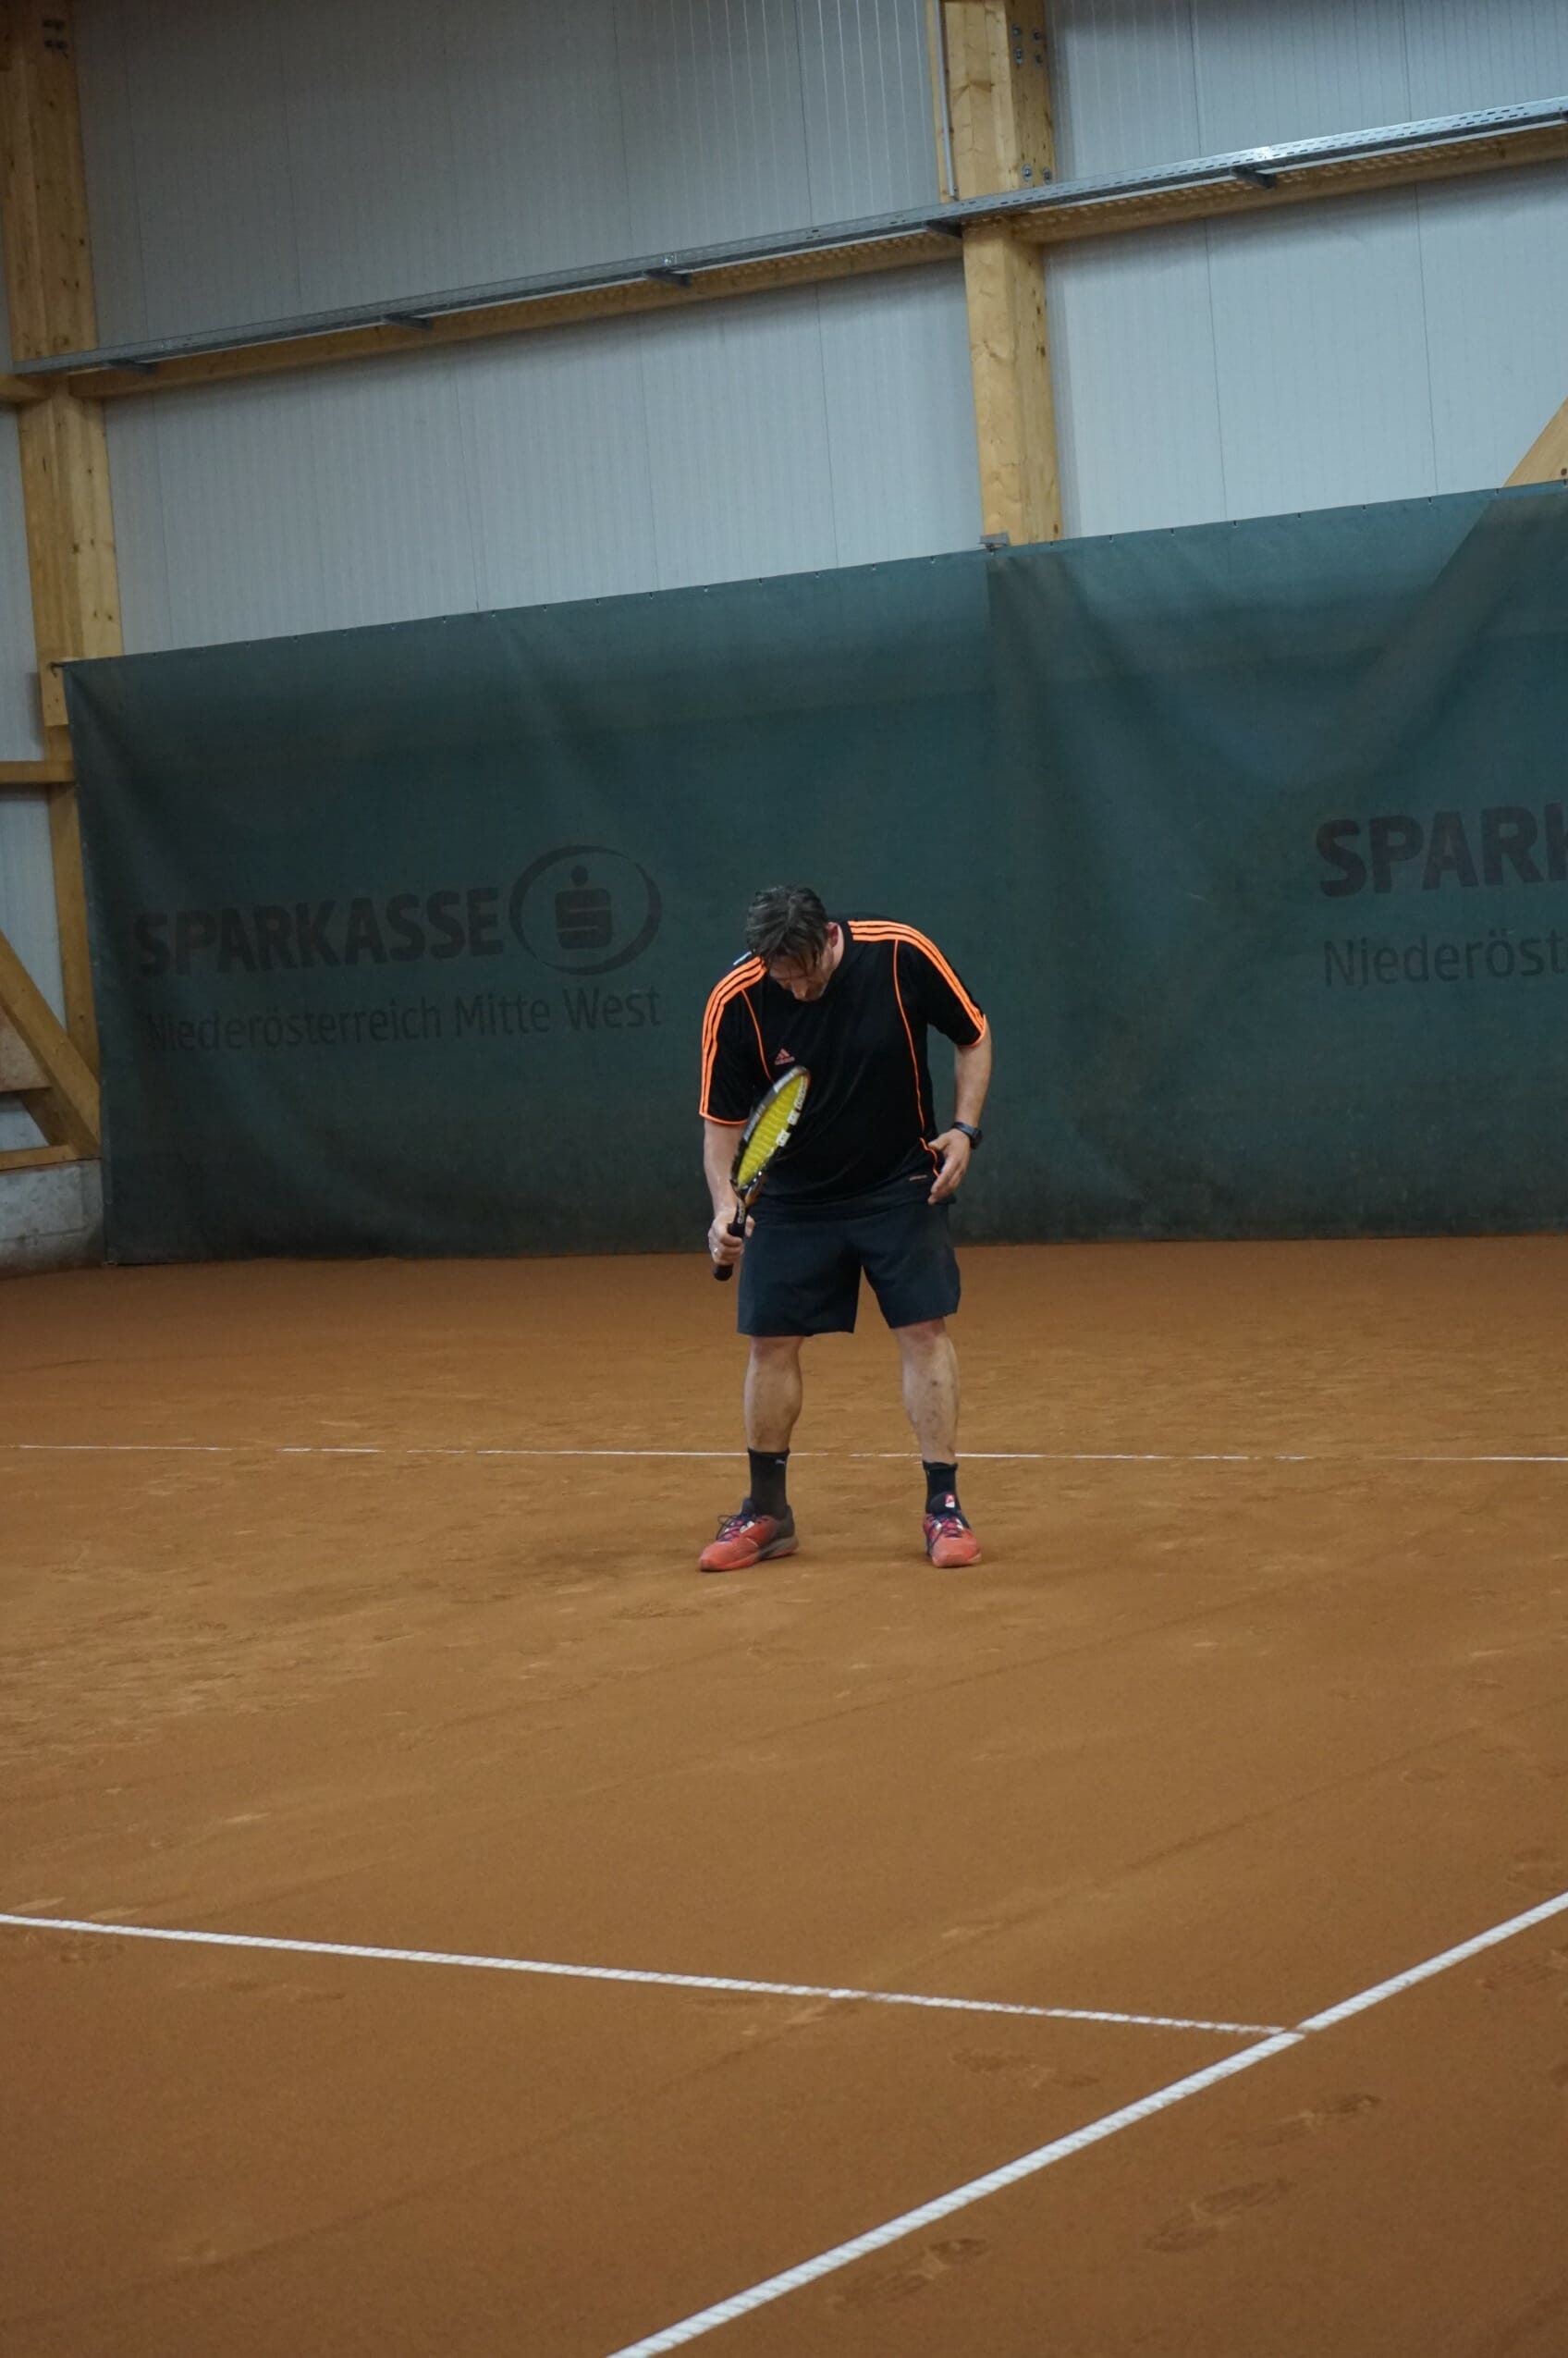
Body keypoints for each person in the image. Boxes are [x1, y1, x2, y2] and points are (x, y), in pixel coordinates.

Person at [698, 885, 992, 1573]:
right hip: (793, 1198)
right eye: (783, 980)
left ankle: (944, 1506)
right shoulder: (736, 1000)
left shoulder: (900, 953)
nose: (798, 991)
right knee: (770, 1343)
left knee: (923, 1331)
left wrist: (964, 1129)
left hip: (899, 1183)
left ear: (831, 936)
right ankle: (768, 1512)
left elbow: (973, 1035)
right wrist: (723, 1206)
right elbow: (722, 1126)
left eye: (807, 974)